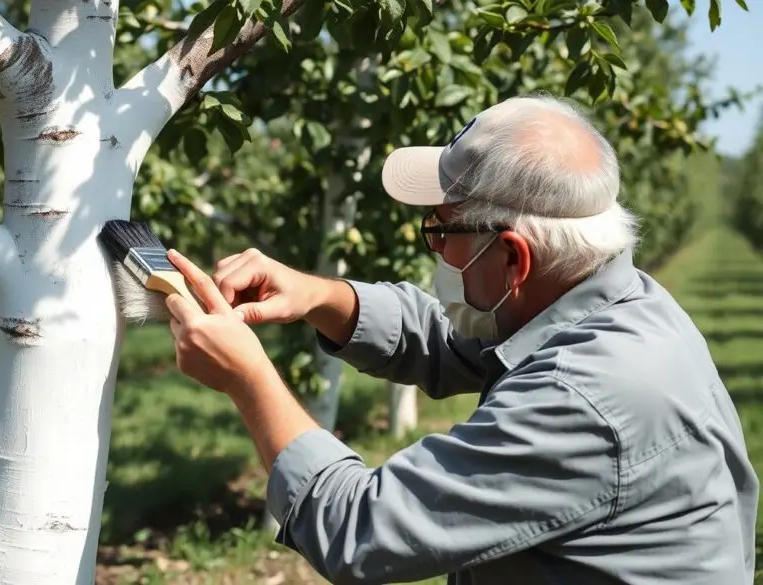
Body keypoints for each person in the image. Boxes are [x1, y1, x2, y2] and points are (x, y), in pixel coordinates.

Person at [160, 95, 759, 584]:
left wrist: (250, 379)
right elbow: (454, 339)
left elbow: (362, 528)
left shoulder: (585, 395)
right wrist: (318, 296)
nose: (437, 249)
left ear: (512, 256)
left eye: (441, 230)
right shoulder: (607, 301)